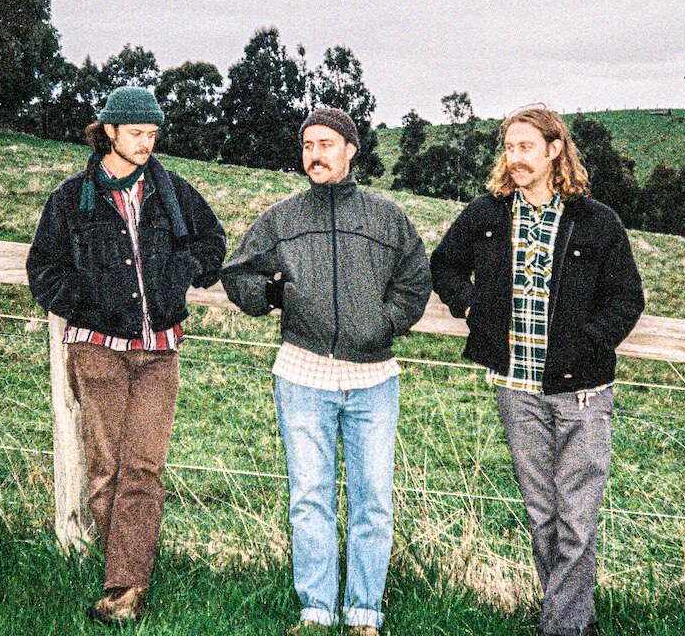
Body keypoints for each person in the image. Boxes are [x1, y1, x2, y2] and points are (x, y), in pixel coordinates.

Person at [430, 106, 644, 636]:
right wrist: (470, 305)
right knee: (542, 516)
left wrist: (586, 346)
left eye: (526, 147)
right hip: (515, 388)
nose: (515, 158)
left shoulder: (597, 221)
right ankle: (573, 623)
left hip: (583, 393)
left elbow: (626, 299)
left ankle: (562, 628)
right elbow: (444, 265)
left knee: (576, 520)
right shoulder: (487, 213)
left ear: (554, 150)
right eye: (509, 147)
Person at [221, 107, 432, 636]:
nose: (315, 155)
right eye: (308, 145)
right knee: (309, 500)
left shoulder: (387, 217)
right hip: (302, 375)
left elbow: (415, 281)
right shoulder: (282, 218)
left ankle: (364, 614)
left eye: (326, 144)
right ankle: (315, 611)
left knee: (373, 503)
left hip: (373, 381)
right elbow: (238, 273)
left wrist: (384, 323)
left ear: (351, 150)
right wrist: (273, 295)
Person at [26, 86, 226, 625]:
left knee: (144, 466)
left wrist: (183, 273)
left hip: (159, 350)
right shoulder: (72, 197)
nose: (146, 143)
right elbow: (43, 270)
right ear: (109, 131)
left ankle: (125, 586)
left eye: (153, 134)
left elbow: (212, 242)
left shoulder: (172, 191)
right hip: (98, 350)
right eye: (137, 133)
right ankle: (124, 577)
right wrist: (88, 304)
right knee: (106, 468)